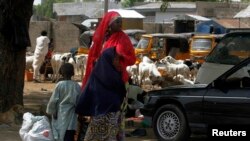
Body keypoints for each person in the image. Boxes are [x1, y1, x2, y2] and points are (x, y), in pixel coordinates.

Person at [75, 11, 136, 141]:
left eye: (121, 21)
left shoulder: (123, 38)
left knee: (114, 112)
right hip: (101, 80)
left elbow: (131, 59)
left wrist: (120, 57)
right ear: (109, 24)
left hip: (116, 81)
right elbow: (93, 57)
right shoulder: (100, 40)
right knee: (99, 111)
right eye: (117, 21)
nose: (120, 24)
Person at [46, 63, 81, 141]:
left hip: (60, 113)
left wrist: (52, 111)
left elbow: (53, 100)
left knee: (59, 132)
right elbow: (79, 101)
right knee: (70, 133)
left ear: (61, 73)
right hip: (72, 114)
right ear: (73, 73)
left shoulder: (59, 85)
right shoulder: (77, 86)